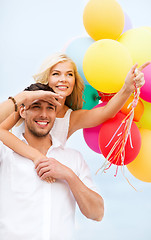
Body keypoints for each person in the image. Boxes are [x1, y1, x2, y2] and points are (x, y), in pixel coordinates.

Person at [0, 83, 104, 240]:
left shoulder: (73, 158)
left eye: (50, 108)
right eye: (36, 106)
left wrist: (69, 175)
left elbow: (97, 213)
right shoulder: (5, 154)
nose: (44, 114)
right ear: (22, 111)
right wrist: (22, 98)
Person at [0, 53, 149, 149]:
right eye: (56, 74)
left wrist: (128, 87)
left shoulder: (70, 118)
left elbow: (105, 112)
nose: (63, 79)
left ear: (74, 81)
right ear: (47, 78)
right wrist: (35, 157)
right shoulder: (28, 102)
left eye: (69, 74)